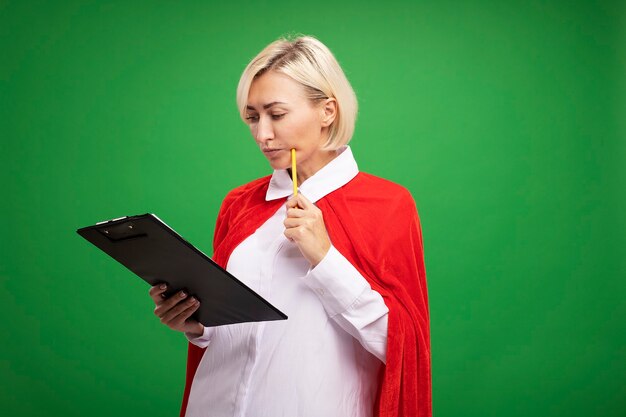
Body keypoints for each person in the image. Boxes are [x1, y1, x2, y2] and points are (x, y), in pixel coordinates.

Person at [148, 35, 431, 417]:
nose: (262, 135)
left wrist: (325, 259)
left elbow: (402, 348)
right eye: (252, 117)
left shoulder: (388, 204)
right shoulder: (239, 204)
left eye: (276, 114)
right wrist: (194, 324)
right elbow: (227, 330)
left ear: (327, 111)